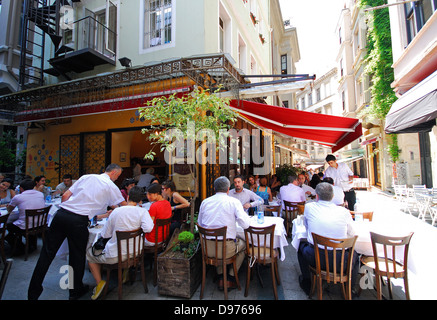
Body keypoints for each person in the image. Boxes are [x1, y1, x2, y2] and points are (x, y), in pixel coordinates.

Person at [28, 164, 127, 300]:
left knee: (46, 254)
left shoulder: (86, 177)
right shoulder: (110, 186)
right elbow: (124, 206)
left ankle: (33, 293)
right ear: (114, 173)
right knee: (77, 257)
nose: (117, 178)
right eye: (118, 175)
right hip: (78, 221)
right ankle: (75, 292)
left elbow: (66, 196)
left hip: (61, 215)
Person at [86, 186, 154, 300]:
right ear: (140, 201)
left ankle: (99, 284)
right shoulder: (142, 212)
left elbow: (105, 234)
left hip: (116, 255)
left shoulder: (116, 211)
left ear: (127, 197)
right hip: (136, 252)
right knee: (124, 247)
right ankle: (125, 272)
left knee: (89, 256)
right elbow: (148, 229)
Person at [297, 182, 358, 296]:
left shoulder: (309, 207)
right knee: (355, 255)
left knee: (300, 247)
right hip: (340, 260)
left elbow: (306, 226)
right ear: (333, 196)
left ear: (317, 196)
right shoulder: (344, 212)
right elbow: (352, 232)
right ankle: (350, 288)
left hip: (316, 257)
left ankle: (307, 282)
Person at [198, 176, 251, 290]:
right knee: (244, 246)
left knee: (219, 244)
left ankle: (221, 275)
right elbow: (246, 225)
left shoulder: (205, 202)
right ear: (228, 189)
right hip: (226, 249)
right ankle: (231, 277)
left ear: (214, 189)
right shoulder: (233, 202)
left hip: (207, 249)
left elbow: (199, 224)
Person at [5, 179, 45, 255]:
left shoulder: (18, 197)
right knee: (23, 220)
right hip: (39, 224)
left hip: (26, 226)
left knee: (7, 227)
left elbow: (9, 210)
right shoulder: (40, 194)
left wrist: (8, 207)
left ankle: (19, 247)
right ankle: (31, 245)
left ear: (21, 188)